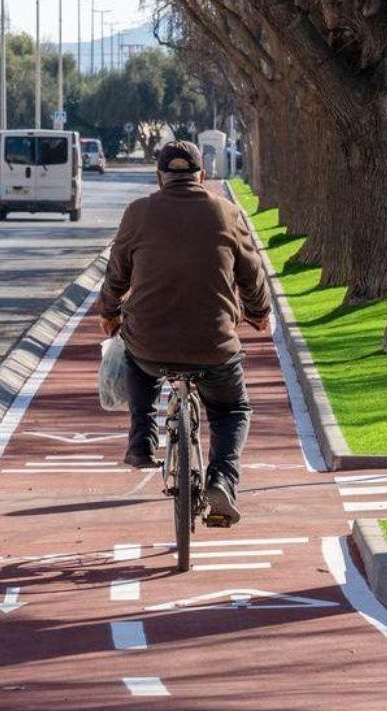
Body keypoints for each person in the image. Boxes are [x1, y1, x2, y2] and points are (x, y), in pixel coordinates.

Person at [97, 140, 272, 525]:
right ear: (202, 176)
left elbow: (116, 273)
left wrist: (108, 313)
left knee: (137, 358)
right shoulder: (227, 212)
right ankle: (223, 482)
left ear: (160, 177)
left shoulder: (138, 212)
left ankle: (141, 439)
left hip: (150, 343)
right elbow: (252, 273)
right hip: (215, 346)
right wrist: (260, 313)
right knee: (231, 409)